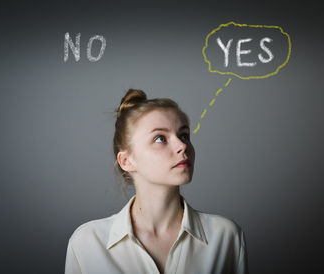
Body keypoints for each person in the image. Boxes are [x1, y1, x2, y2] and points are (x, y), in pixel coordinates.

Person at [65, 89, 248, 274]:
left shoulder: (225, 236)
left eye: (183, 135)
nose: (182, 145)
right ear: (127, 161)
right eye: (160, 138)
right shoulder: (87, 244)